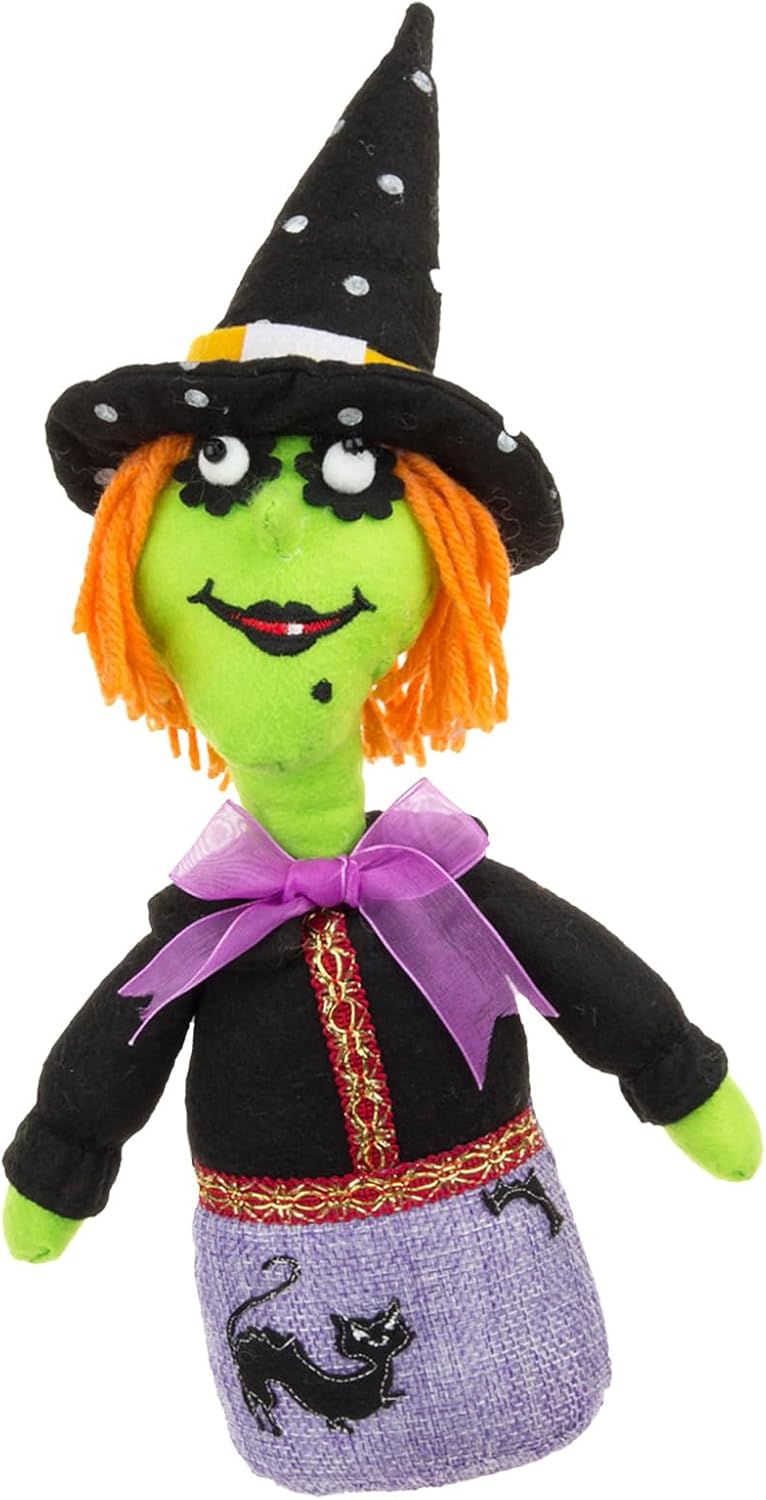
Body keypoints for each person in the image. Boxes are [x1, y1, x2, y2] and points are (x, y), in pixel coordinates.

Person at [3, 7, 760, 1493]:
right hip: (271, 1226)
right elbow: (118, 1043)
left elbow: (582, 975)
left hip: (488, 1212)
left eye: (352, 479)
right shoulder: (208, 924)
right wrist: (63, 1151)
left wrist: (671, 1068)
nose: (280, 537)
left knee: (526, 1359)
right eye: (218, 479)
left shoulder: (439, 885)